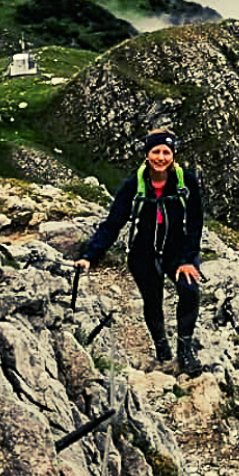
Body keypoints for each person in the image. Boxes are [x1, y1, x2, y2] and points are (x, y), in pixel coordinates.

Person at [74, 129, 205, 373]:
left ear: (173, 156)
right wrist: (90, 256)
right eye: (156, 151)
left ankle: (185, 350)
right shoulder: (133, 186)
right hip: (142, 251)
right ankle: (161, 345)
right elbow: (113, 223)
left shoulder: (186, 182)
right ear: (147, 155)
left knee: (189, 290)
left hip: (177, 250)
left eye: (166, 152)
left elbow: (196, 222)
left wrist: (188, 259)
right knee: (152, 300)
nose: (161, 157)